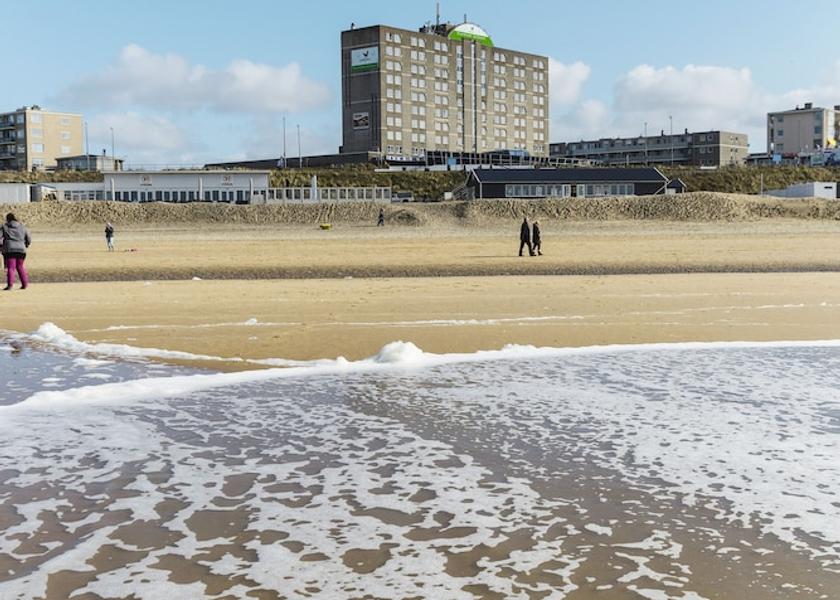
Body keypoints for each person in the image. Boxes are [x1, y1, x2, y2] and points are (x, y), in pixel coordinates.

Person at [1, 212, 31, 291]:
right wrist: (26, 245)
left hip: (9, 249)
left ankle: (10, 285)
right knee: (20, 267)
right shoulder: (22, 227)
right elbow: (28, 238)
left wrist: (1, 246)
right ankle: (24, 284)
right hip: (21, 249)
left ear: (7, 219)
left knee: (11, 268)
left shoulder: (4, 227)